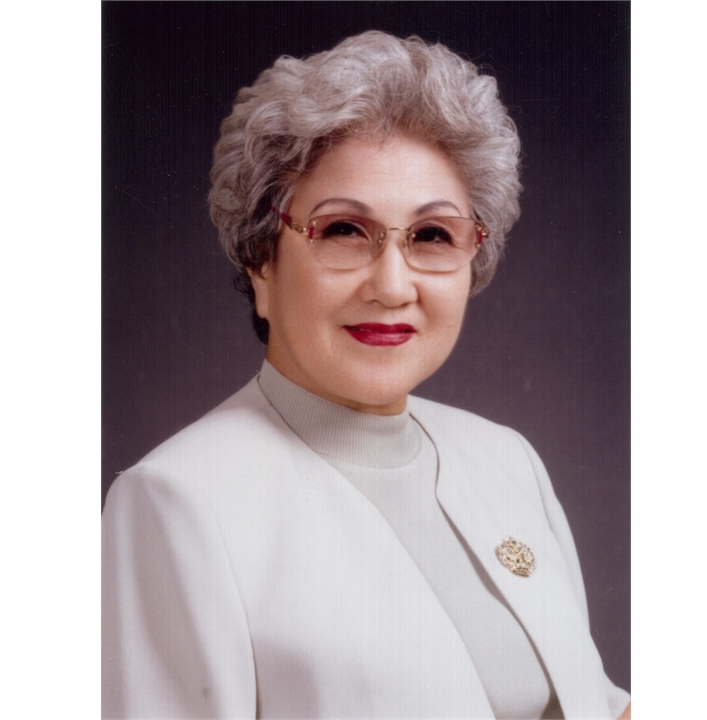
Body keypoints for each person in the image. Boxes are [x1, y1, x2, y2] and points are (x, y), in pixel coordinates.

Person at [102, 31, 631, 719]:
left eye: (432, 235)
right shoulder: (178, 502)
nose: (392, 285)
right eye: (344, 230)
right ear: (261, 261)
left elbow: (594, 703)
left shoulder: (506, 459)